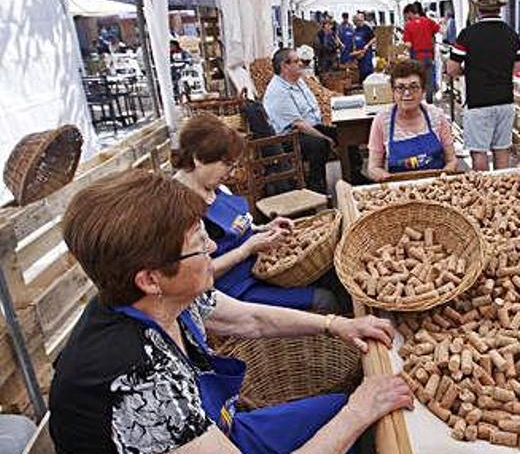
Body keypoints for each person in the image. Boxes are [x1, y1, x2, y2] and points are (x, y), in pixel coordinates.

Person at [49, 170, 412, 454]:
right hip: (203, 440)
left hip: (219, 430)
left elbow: (247, 318)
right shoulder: (139, 377)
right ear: (150, 279)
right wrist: (360, 412)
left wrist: (337, 324)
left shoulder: (161, 297)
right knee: (357, 422)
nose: (212, 246)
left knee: (340, 410)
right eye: (197, 244)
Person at [173, 114, 340, 312]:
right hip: (235, 292)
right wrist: (246, 250)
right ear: (198, 158)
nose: (232, 174)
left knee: (333, 273)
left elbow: (242, 228)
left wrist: (265, 228)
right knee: (325, 299)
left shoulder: (216, 188)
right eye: (227, 165)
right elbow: (195, 276)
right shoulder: (179, 208)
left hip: (262, 271)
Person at [447, 0, 520, 171]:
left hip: (478, 100)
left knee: (479, 152)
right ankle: (503, 194)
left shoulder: (467, 35)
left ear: (478, 8)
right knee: (502, 149)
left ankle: (485, 195)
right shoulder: (512, 34)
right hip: (505, 99)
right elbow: (517, 66)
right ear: (499, 8)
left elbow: (452, 68)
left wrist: (468, 72)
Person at [366, 60, 457, 181]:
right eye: (400, 88)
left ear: (423, 90)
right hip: (399, 190)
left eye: (414, 87)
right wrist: (389, 180)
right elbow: (373, 168)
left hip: (437, 187)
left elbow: (452, 160)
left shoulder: (436, 116)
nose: (407, 93)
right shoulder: (382, 121)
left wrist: (444, 178)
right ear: (393, 91)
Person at [263, 48, 337, 192]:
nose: (301, 64)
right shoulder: (278, 92)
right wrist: (326, 138)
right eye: (296, 62)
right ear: (284, 66)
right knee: (319, 144)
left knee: (343, 131)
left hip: (310, 126)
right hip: (289, 138)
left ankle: (354, 175)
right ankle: (316, 187)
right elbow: (299, 124)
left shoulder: (298, 81)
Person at [403, 4, 441, 103]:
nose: (407, 18)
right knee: (429, 79)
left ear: (410, 13)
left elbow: (408, 45)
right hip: (428, 55)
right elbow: (439, 30)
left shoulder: (408, 25)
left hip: (416, 56)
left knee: (417, 80)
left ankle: (418, 101)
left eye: (407, 15)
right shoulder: (428, 21)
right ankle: (429, 100)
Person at [352, 13, 375, 82]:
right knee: (361, 70)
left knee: (367, 69)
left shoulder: (367, 28)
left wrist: (367, 45)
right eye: (358, 21)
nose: (359, 22)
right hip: (359, 54)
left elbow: (374, 38)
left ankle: (370, 83)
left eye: (361, 20)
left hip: (367, 52)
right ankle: (362, 84)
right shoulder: (355, 30)